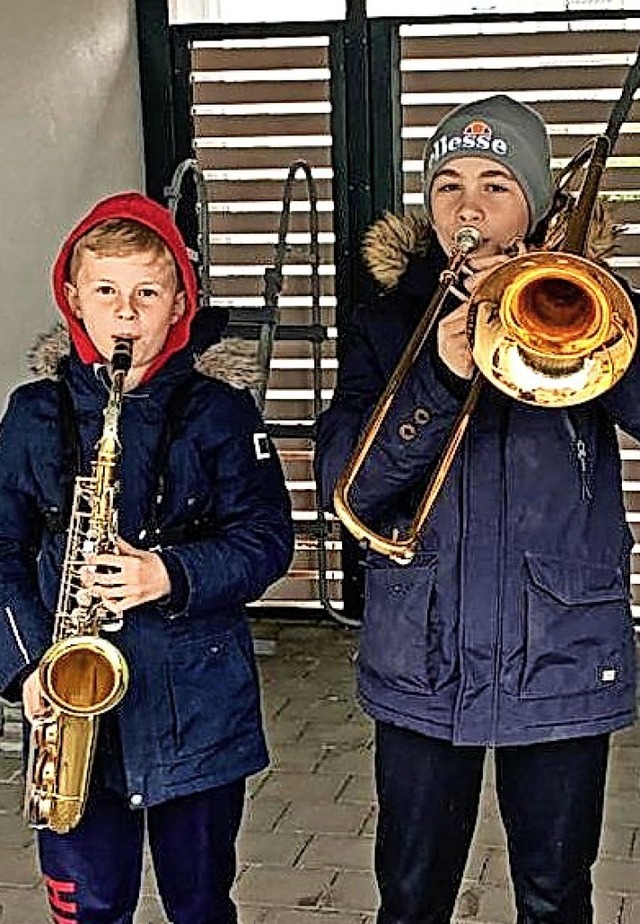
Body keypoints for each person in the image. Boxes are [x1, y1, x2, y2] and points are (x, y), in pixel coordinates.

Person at [314, 94, 639, 923]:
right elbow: (348, 484)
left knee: (556, 891)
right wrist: (439, 373)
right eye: (450, 182)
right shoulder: (386, 323)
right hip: (423, 648)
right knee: (414, 894)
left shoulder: (587, 301)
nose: (469, 205)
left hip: (559, 645)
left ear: (534, 200)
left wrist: (573, 308)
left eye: (497, 184)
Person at [0, 191, 294, 924]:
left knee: (201, 903)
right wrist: (30, 665)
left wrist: (168, 573)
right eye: (106, 290)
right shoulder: (33, 414)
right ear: (73, 297)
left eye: (147, 293)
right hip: (72, 712)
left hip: (198, 711)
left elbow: (267, 542)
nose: (125, 314)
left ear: (180, 304)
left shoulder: (223, 413)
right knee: (90, 908)